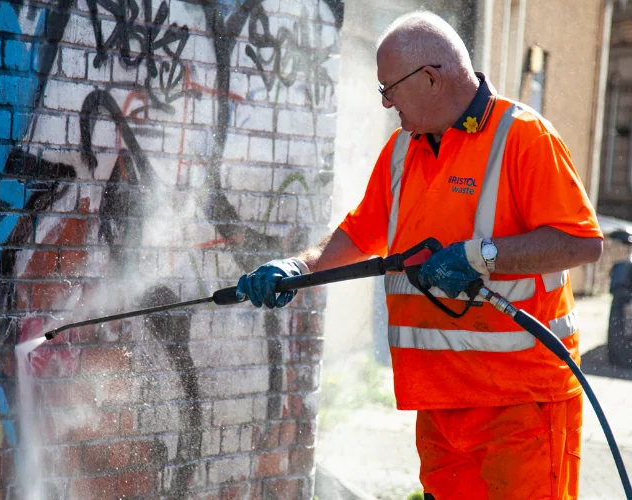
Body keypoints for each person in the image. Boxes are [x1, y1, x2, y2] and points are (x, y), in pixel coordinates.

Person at [235, 11, 603, 500]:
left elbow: (581, 241)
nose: (385, 102)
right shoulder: (401, 151)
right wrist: (298, 268)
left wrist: (480, 257)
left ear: (431, 78)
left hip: (521, 406)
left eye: (389, 88)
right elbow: (359, 233)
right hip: (441, 407)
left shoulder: (525, 138)